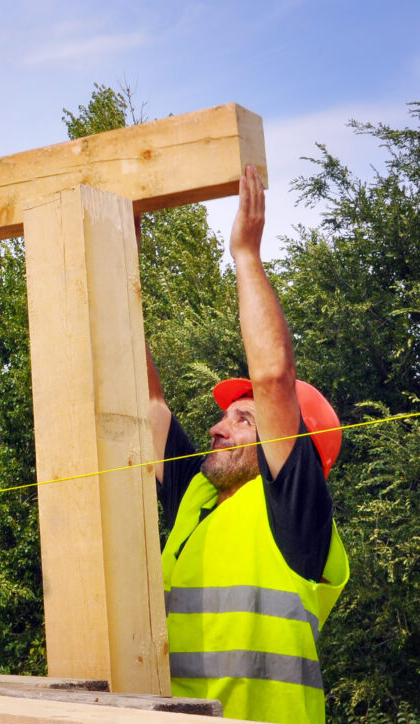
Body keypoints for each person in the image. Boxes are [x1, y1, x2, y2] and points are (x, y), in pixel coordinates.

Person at [146, 165, 349, 723]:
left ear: (291, 448)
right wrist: (120, 268)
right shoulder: (200, 503)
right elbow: (149, 405)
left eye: (243, 419)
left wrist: (246, 256)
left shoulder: (295, 518)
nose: (217, 426)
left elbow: (274, 377)